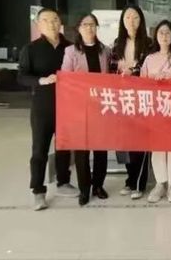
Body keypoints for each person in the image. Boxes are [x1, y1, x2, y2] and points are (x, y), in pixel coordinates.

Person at [18, 8, 75, 211]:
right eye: (46, 20)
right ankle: (38, 191)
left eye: (55, 19)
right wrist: (41, 80)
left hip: (67, 106)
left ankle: (63, 181)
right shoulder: (31, 49)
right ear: (38, 25)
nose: (51, 24)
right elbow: (22, 76)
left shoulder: (70, 48)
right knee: (39, 149)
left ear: (60, 22)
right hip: (42, 107)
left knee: (64, 147)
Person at [61, 13, 110, 206]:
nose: (89, 28)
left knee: (101, 149)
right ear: (79, 28)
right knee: (81, 151)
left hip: (100, 107)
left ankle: (98, 185)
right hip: (79, 108)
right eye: (85, 24)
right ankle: (84, 188)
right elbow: (65, 78)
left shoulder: (105, 50)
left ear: (97, 27)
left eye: (92, 24)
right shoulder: (71, 51)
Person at [141, 20, 171, 203]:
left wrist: (170, 78)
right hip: (155, 110)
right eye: (161, 32)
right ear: (156, 36)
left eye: (168, 32)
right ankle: (160, 183)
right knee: (158, 148)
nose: (164, 36)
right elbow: (141, 83)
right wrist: (155, 79)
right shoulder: (149, 59)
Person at [111, 5, 153, 200]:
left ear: (141, 20)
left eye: (135, 17)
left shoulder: (149, 43)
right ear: (122, 21)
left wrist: (133, 72)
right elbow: (111, 70)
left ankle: (139, 184)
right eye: (128, 17)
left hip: (142, 98)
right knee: (125, 141)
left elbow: (149, 67)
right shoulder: (117, 44)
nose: (131, 21)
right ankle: (130, 179)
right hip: (122, 98)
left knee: (141, 142)